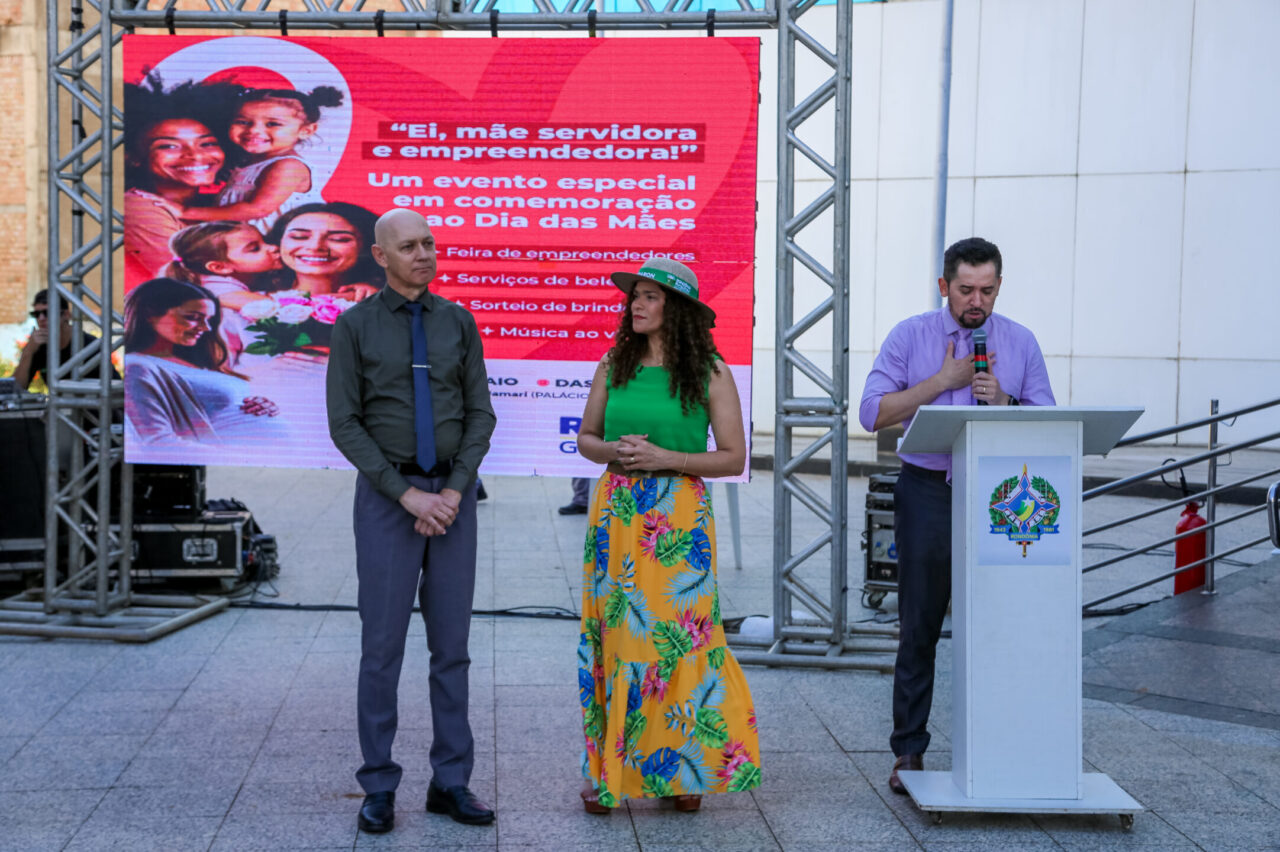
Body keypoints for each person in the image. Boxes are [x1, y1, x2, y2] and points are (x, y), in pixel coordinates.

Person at [857, 237, 1056, 795]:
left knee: (1000, 624)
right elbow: (871, 412)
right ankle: (909, 751)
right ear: (944, 286)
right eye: (966, 290)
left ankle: (1001, 745)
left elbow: (1048, 421)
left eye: (987, 291)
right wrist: (940, 384)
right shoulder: (911, 336)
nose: (977, 301)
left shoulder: (1020, 342)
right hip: (927, 491)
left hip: (1001, 495)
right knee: (919, 623)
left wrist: (1005, 403)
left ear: (999, 286)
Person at [326, 208, 497, 834]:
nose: (423, 254)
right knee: (382, 648)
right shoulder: (355, 326)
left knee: (452, 649)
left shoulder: (458, 321)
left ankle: (451, 781)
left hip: (451, 498)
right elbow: (345, 423)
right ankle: (378, 784)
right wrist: (407, 496)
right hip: (387, 500)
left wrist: (451, 491)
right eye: (408, 246)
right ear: (380, 256)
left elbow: (480, 414)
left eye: (429, 243)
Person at [574, 257, 761, 814]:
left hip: (677, 516)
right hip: (617, 512)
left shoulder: (711, 371)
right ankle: (610, 769)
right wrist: (615, 451)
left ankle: (681, 770)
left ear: (675, 310)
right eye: (634, 295)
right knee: (620, 639)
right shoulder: (614, 363)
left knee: (679, 637)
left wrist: (665, 458)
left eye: (650, 296)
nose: (636, 304)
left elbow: (733, 458)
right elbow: (586, 438)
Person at [123, 277, 282, 445]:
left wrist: (260, 406)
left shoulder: (198, 361)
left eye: (208, 320)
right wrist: (229, 456)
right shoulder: (136, 366)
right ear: (149, 314)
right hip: (229, 457)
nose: (206, 328)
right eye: (192, 317)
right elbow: (157, 440)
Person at [178, 86, 342, 233]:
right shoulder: (249, 163)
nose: (253, 130)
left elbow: (257, 209)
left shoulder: (288, 166)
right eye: (243, 122)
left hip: (277, 242)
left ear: (306, 131)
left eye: (273, 124)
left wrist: (185, 212)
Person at [122, 75, 231, 282]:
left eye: (207, 143)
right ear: (134, 157)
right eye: (169, 146)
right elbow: (191, 281)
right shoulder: (137, 206)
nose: (196, 155)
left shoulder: (214, 204)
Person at [165, 222, 283, 365]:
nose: (273, 247)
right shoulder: (219, 295)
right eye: (255, 249)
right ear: (219, 267)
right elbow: (272, 307)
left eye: (265, 240)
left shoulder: (222, 284)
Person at [264, 202, 384, 302]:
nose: (315, 246)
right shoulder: (257, 299)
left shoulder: (383, 301)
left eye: (338, 239)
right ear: (278, 242)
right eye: (299, 237)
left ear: (367, 246)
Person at [13, 290, 118, 391]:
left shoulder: (90, 345)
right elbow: (16, 389)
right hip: (58, 403)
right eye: (36, 314)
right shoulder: (38, 346)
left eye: (47, 313)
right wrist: (28, 352)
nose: (41, 318)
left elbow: (115, 386)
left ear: (66, 315)